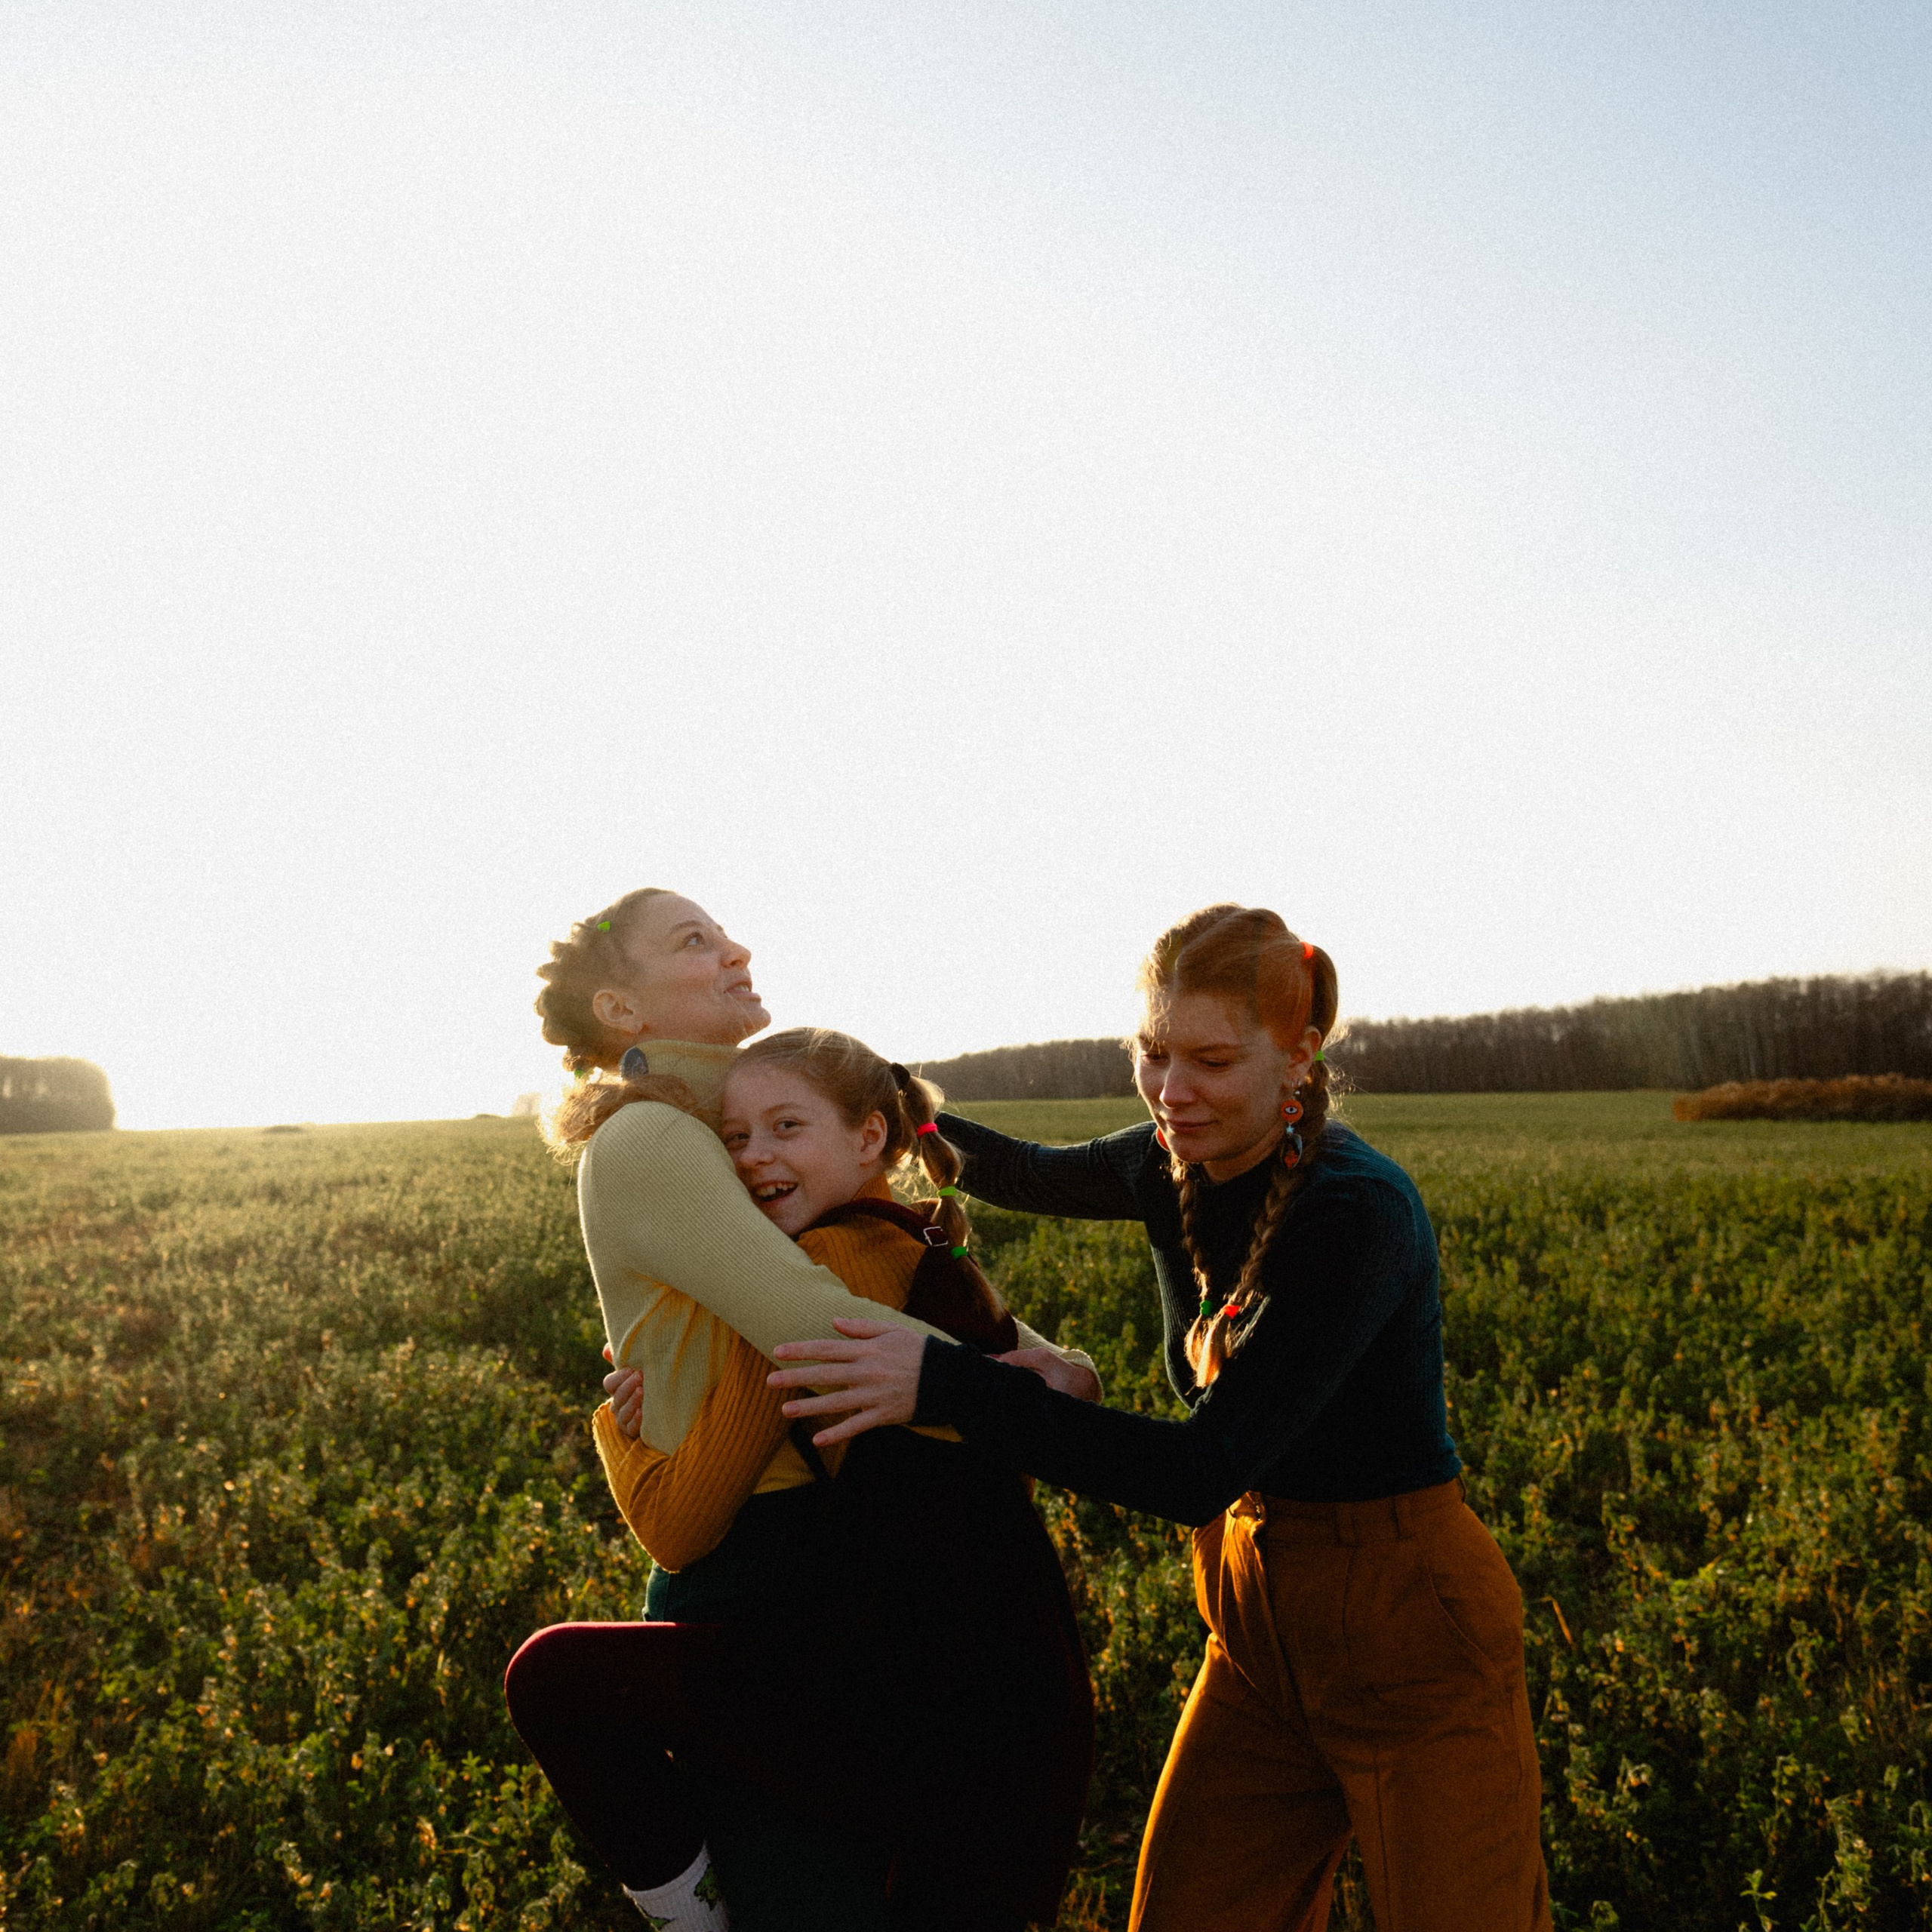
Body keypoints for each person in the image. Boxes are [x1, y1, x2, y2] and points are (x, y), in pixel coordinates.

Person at [767, 904, 1554, 1932]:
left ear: (1300, 1055)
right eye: (1153, 1052)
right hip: (1254, 1628)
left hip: (1408, 1631)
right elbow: (1017, 1172)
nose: (1172, 1091)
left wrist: (948, 1384)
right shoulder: (1164, 1160)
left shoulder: (1354, 1211)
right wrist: (884, 1097)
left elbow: (1198, 1469)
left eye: (1212, 1061)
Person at [501, 889, 1096, 1932]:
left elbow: (870, 1264)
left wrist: (1048, 1363)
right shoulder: (653, 1138)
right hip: (756, 1557)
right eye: (695, 941)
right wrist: (1036, 1396)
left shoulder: (717, 1134)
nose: (736, 949)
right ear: (622, 1009)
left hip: (826, 1544)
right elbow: (812, 1318)